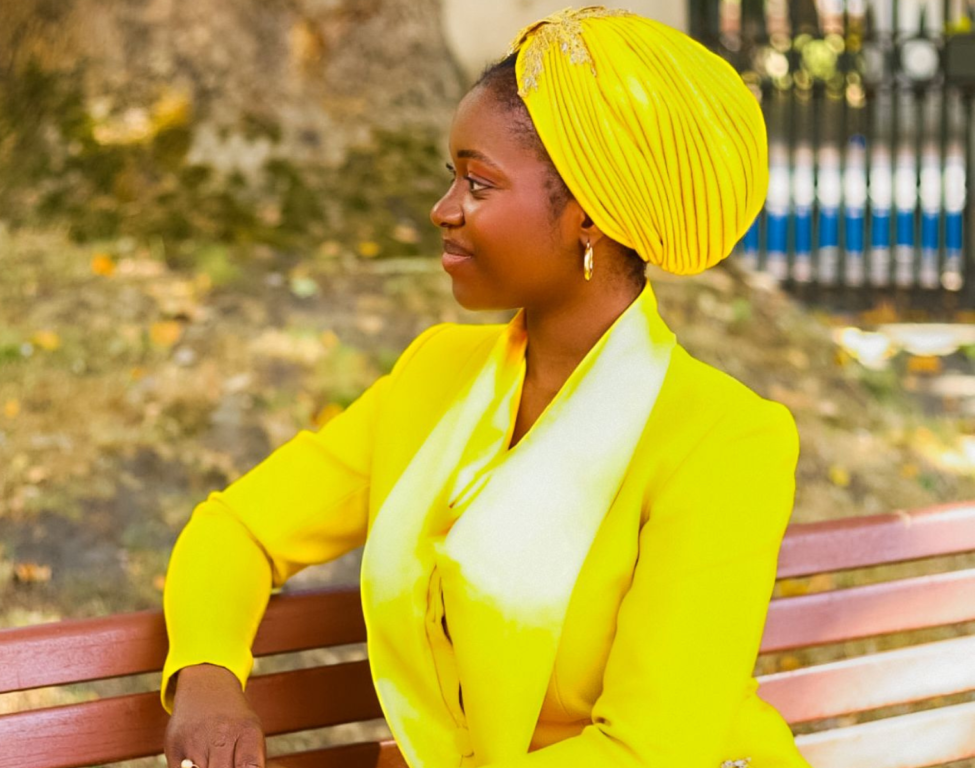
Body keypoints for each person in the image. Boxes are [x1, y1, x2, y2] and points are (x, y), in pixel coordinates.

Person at [161, 7, 812, 768]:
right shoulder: (436, 376)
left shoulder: (724, 440)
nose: (443, 211)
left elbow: (648, 750)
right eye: (452, 177)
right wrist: (207, 677)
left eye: (479, 182)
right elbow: (239, 528)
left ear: (588, 218)